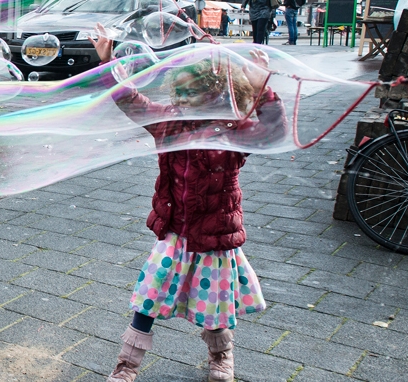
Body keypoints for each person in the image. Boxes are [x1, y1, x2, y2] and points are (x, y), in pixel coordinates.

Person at [91, 25, 281, 382]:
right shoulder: (169, 124)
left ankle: (221, 357)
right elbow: (132, 101)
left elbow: (275, 133)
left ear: (220, 93)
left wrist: (262, 89)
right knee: (146, 299)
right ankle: (127, 364)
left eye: (196, 92)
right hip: (174, 235)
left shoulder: (235, 131)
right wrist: (107, 62)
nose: (185, 100)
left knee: (215, 309)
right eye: (182, 92)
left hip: (214, 239)